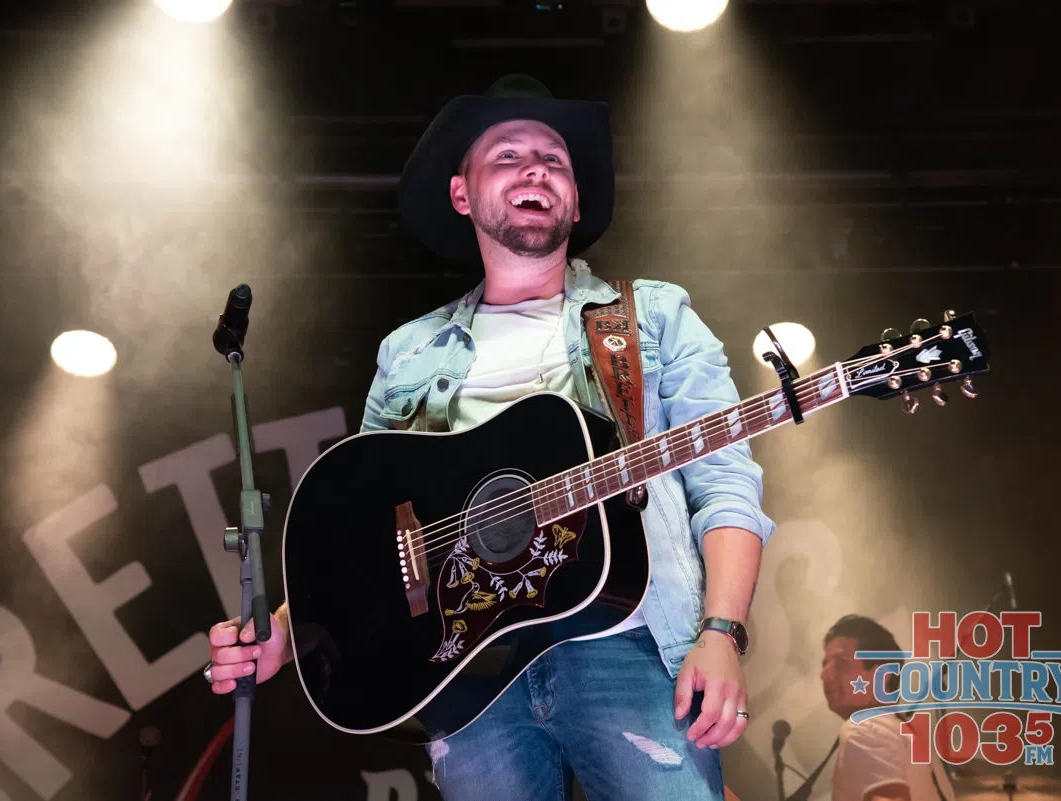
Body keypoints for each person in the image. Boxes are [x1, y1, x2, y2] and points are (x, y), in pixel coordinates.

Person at [204, 74, 776, 801]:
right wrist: (284, 633)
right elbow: (364, 535)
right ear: (462, 194)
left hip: (627, 644)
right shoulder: (407, 353)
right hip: (466, 677)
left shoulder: (652, 317)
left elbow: (724, 481)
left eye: (555, 159)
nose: (537, 167)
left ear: (573, 198)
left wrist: (721, 630)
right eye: (509, 155)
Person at [820, 615, 956, 801]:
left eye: (842, 663)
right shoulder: (907, 734)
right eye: (825, 664)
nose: (824, 675)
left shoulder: (865, 728)